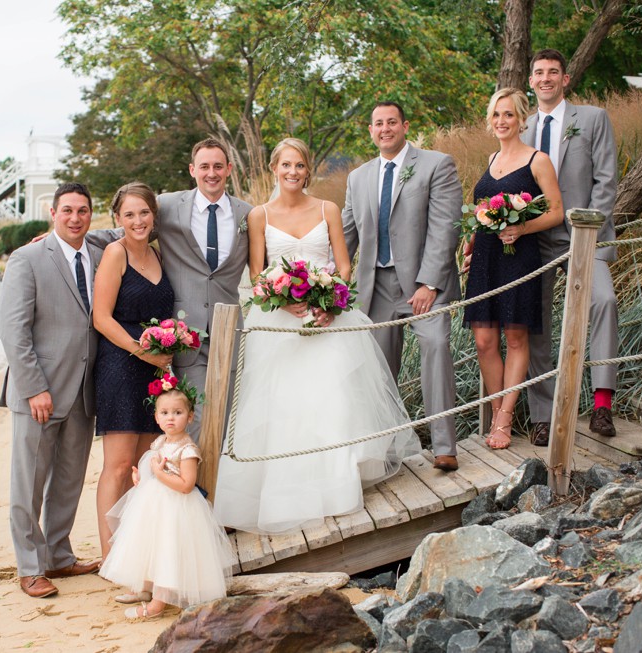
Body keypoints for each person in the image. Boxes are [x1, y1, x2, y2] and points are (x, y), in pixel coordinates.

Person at [212, 138, 420, 535]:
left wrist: (330, 301)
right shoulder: (259, 215)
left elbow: (343, 265)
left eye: (300, 166)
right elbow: (257, 273)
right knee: (285, 406)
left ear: (308, 170)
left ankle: (338, 488)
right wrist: (281, 297)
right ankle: (288, 492)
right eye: (286, 165)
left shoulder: (328, 209)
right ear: (275, 168)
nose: (293, 172)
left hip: (329, 319)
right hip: (279, 323)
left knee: (333, 399)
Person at [87, 139, 252, 442]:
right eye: (204, 166)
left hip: (229, 329)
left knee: (228, 416)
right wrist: (70, 237)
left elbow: (264, 262)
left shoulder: (248, 214)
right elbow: (130, 226)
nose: (211, 173)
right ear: (193, 170)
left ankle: (214, 484)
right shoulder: (168, 205)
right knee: (197, 415)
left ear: (228, 169)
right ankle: (197, 486)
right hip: (184, 333)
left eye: (218, 166)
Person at [342, 101, 464, 471]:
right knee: (379, 369)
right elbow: (345, 234)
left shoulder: (435, 164)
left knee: (436, 348)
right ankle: (387, 451)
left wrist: (429, 282)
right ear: (370, 130)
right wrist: (320, 281)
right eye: (378, 123)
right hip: (374, 287)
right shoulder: (357, 177)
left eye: (391, 122)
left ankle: (445, 446)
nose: (385, 129)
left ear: (405, 126)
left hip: (423, 285)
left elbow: (446, 227)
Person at [0, 182, 102, 599]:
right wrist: (33, 387)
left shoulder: (97, 253)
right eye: (67, 211)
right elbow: (12, 330)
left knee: (69, 480)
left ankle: (58, 555)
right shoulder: (27, 258)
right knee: (29, 482)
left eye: (83, 211)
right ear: (53, 214)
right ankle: (29, 565)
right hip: (40, 391)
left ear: (91, 216)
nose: (75, 218)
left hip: (82, 389)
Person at [522, 48, 619, 445]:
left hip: (585, 235)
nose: (545, 78)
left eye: (553, 72)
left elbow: (606, 180)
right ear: (531, 81)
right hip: (536, 240)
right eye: (539, 73)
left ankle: (601, 404)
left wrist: (588, 228)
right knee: (535, 322)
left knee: (604, 301)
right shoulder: (522, 127)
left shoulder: (592, 118)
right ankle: (543, 416)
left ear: (565, 79)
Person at [462, 88, 564, 450]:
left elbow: (556, 212)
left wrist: (522, 228)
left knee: (516, 338)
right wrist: (471, 241)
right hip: (487, 258)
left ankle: (503, 421)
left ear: (522, 119)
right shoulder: (491, 158)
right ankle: (496, 411)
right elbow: (482, 210)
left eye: (508, 115)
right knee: (484, 340)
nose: (502, 121)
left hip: (519, 256)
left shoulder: (537, 160)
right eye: (496, 115)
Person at [99, 382, 234, 620]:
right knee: (150, 544)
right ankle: (145, 588)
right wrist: (141, 478)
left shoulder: (188, 450)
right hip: (154, 504)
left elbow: (186, 485)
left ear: (190, 417)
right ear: (157, 417)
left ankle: (157, 605)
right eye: (165, 413)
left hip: (178, 508)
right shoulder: (160, 442)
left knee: (167, 550)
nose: (171, 418)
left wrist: (160, 475)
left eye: (178, 413)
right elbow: (152, 469)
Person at [92, 182, 175, 559]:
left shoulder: (158, 254)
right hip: (121, 368)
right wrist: (142, 351)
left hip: (155, 372)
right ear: (118, 219)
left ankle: (135, 546)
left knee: (144, 464)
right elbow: (101, 318)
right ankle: (112, 554)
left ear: (154, 215)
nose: (138, 220)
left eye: (143, 212)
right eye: (129, 214)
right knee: (118, 465)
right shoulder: (115, 252)